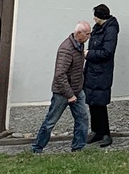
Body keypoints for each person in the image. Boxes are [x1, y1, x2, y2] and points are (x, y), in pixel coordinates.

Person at [30, 20, 91, 154]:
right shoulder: (66, 49)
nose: (89, 36)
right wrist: (70, 95)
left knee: (82, 119)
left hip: (77, 90)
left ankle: (78, 147)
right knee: (50, 121)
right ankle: (37, 148)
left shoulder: (79, 45)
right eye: (87, 34)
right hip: (62, 93)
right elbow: (60, 74)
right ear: (78, 33)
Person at [83, 3, 119, 147]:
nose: (94, 18)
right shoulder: (98, 28)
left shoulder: (110, 30)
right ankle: (96, 131)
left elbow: (107, 52)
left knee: (100, 104)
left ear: (101, 17)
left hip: (102, 72)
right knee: (92, 102)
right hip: (92, 71)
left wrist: (88, 54)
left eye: (95, 16)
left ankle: (105, 134)